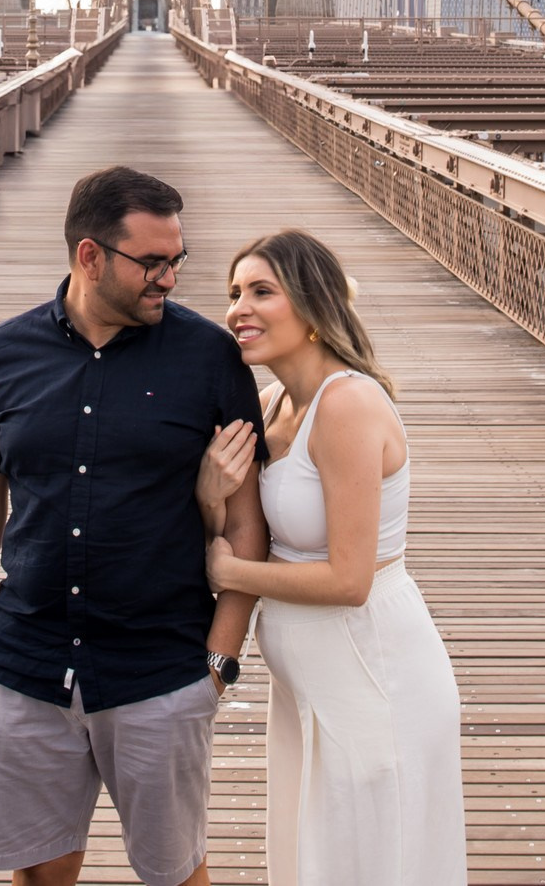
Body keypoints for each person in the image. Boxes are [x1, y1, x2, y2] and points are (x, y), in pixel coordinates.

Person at [0, 165, 271, 886]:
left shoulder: (209, 356)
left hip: (160, 668)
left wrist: (219, 662)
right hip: (26, 664)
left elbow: (249, 521)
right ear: (91, 256)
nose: (170, 279)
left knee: (177, 875)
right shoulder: (2, 356)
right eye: (152, 262)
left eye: (176, 260)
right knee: (41, 874)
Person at [196, 230, 467, 885]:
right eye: (234, 292)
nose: (239, 308)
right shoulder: (271, 405)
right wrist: (210, 495)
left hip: (372, 672)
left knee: (371, 860)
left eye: (262, 290)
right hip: (310, 687)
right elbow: (236, 525)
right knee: (317, 857)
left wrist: (230, 574)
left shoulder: (347, 404)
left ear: (313, 305)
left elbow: (350, 578)